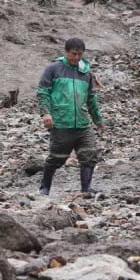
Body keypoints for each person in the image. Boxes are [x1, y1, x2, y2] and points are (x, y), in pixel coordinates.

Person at [37, 38, 104, 195]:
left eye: (80, 54)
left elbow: (91, 98)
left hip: (82, 122)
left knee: (89, 154)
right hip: (61, 122)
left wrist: (98, 120)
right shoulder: (53, 69)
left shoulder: (85, 73)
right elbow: (43, 92)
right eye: (73, 54)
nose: (76, 57)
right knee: (56, 158)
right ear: (66, 52)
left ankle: (86, 189)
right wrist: (46, 113)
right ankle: (44, 188)